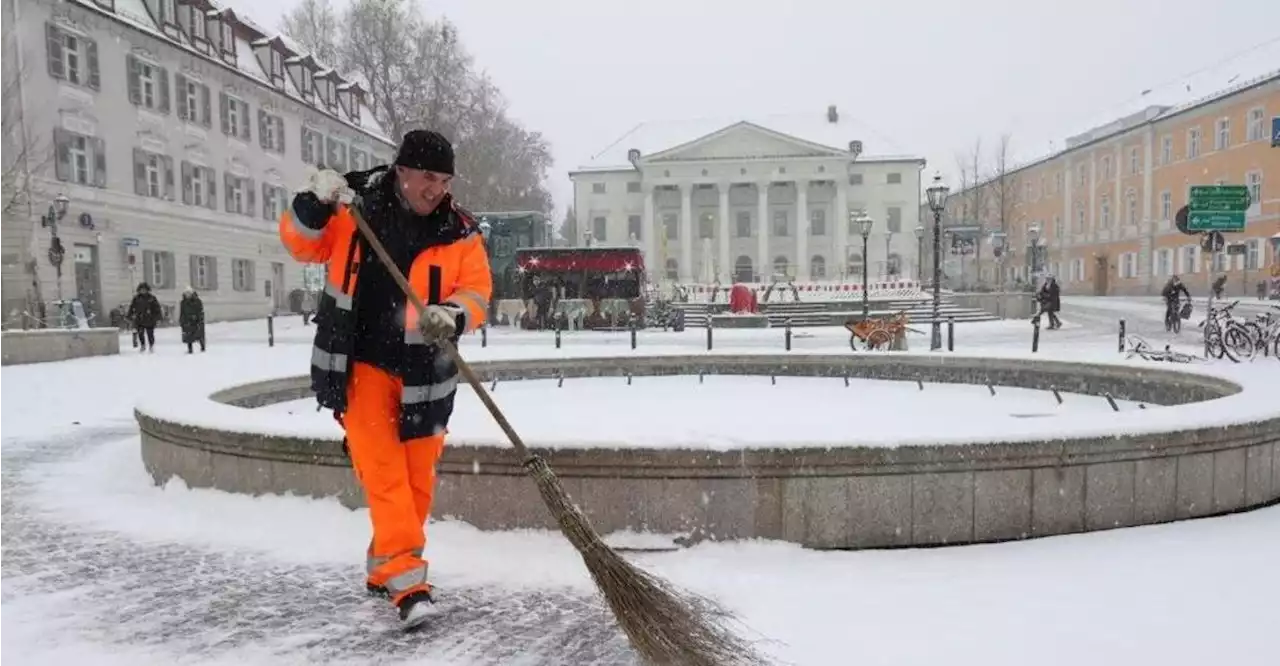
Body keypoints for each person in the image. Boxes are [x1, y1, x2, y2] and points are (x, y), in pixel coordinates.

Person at [278, 130, 492, 630]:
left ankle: (382, 567)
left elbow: (478, 290)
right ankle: (407, 583)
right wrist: (311, 204)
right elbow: (300, 245)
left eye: (443, 180)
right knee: (385, 475)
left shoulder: (460, 232)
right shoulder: (354, 209)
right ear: (402, 172)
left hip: (427, 376)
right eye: (426, 177)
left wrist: (453, 315)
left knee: (417, 484)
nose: (435, 189)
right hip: (361, 364)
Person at [127, 282, 162, 352]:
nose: (143, 291)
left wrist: (158, 318)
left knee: (150, 334)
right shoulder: (136, 298)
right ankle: (143, 345)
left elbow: (157, 308)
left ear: (147, 290)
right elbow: (132, 307)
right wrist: (129, 316)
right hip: (139, 319)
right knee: (140, 334)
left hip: (150, 319)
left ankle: (151, 345)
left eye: (144, 289)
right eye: (141, 289)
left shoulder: (151, 298)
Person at [179, 287, 206, 353]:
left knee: (199, 335)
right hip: (187, 321)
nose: (187, 295)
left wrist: (198, 318)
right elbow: (182, 312)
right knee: (188, 336)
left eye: (189, 293)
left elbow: (200, 311)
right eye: (186, 293)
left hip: (196, 321)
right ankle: (190, 349)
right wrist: (181, 320)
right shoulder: (183, 302)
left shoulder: (197, 301)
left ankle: (202, 347)